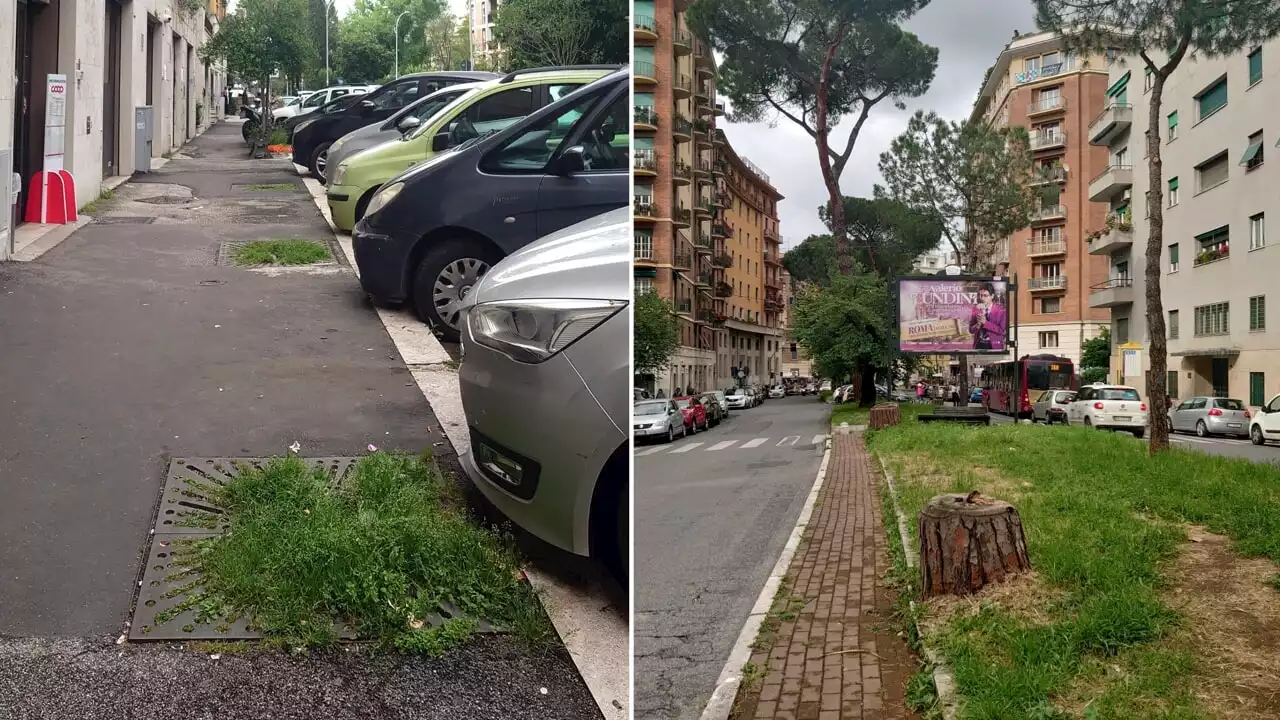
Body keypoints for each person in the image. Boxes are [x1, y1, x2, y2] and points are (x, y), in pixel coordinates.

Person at [969, 283, 1008, 351]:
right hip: (979, 346)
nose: (982, 298)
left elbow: (1002, 331)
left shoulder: (1001, 310)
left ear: (992, 296)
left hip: (994, 347)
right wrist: (977, 325)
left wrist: (986, 323)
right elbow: (971, 330)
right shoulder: (976, 309)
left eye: (985, 295)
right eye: (981, 295)